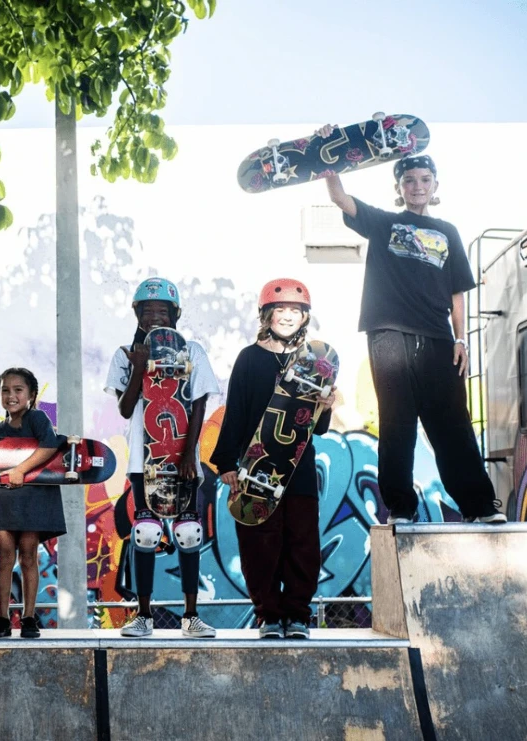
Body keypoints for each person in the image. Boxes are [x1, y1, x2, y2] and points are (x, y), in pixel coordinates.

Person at [322, 144, 506, 524]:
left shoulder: (448, 232)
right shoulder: (383, 222)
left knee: (453, 422)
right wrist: (329, 163)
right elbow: (340, 198)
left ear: (435, 185)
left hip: (439, 339)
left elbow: (457, 292)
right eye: (409, 180)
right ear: (399, 188)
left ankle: (480, 507)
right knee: (397, 421)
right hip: (389, 335)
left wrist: (460, 339)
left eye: (424, 180)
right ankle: (401, 509)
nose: (417, 186)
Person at [210, 279, 333, 639]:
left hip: (299, 468)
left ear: (304, 317)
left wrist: (325, 407)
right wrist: (228, 463)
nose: (288, 317)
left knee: (303, 542)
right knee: (260, 543)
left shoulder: (312, 363)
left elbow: (317, 428)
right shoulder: (249, 359)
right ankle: (267, 615)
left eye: (295, 311)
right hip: (256, 466)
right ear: (267, 315)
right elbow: (235, 413)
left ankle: (297, 615)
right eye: (281, 310)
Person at [103, 277, 220, 638]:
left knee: (188, 533)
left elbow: (199, 403)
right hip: (143, 459)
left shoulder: (193, 352)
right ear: (137, 313)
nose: (156, 316)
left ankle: (191, 616)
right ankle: (143, 616)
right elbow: (125, 410)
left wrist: (190, 455)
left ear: (175, 315)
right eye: (148, 310)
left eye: (163, 310)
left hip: (182, 457)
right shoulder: (124, 353)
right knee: (146, 533)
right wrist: (139, 366)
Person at [0, 367, 66, 639]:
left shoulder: (37, 418)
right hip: (6, 496)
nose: (11, 395)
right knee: (4, 548)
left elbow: (50, 445)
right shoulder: (0, 427)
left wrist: (21, 470)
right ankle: (3, 618)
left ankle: (29, 617)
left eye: (18, 390)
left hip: (35, 494)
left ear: (31, 394)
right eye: (5, 390)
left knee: (28, 550)